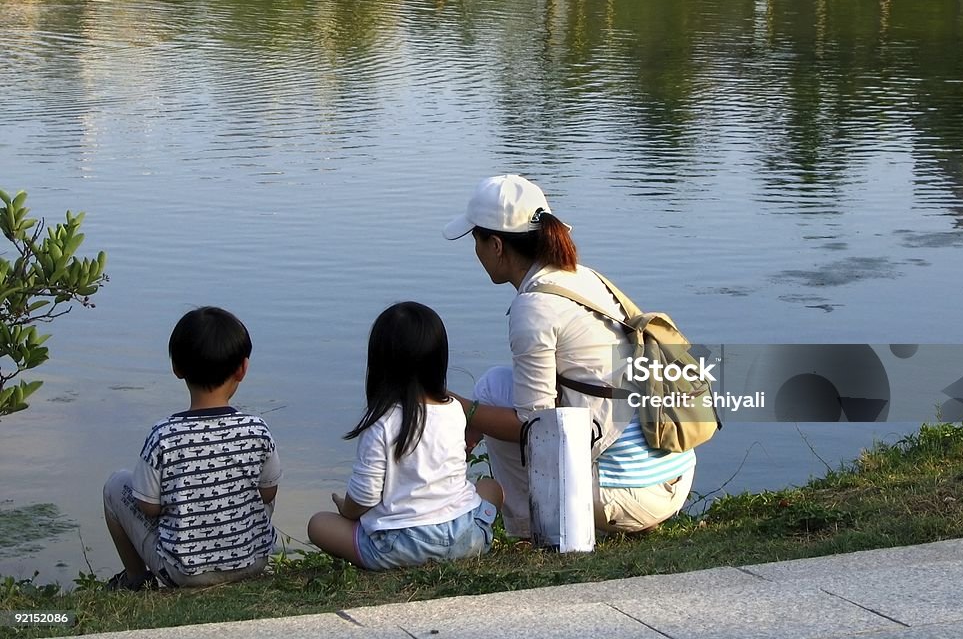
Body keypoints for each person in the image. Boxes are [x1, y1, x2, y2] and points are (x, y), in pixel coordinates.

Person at [442, 174, 696, 538]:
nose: (475, 252)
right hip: (675, 476)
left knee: (488, 397)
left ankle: (535, 529)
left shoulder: (534, 308)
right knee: (496, 385)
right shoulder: (582, 277)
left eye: (475, 240)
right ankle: (550, 518)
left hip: (626, 497)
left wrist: (460, 409)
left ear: (496, 245)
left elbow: (532, 427)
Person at [307, 302, 503, 570]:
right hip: (465, 537)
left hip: (401, 546)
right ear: (439, 360)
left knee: (318, 524)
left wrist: (346, 510)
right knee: (491, 487)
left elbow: (364, 498)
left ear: (379, 365)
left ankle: (388, 556)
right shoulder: (455, 410)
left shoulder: (381, 423)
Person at [102, 306, 282, 590]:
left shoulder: (163, 435)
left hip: (184, 572)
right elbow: (269, 494)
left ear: (177, 368)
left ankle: (136, 580)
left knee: (115, 486)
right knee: (262, 481)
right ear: (243, 368)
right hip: (253, 562)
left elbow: (148, 507)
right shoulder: (257, 428)